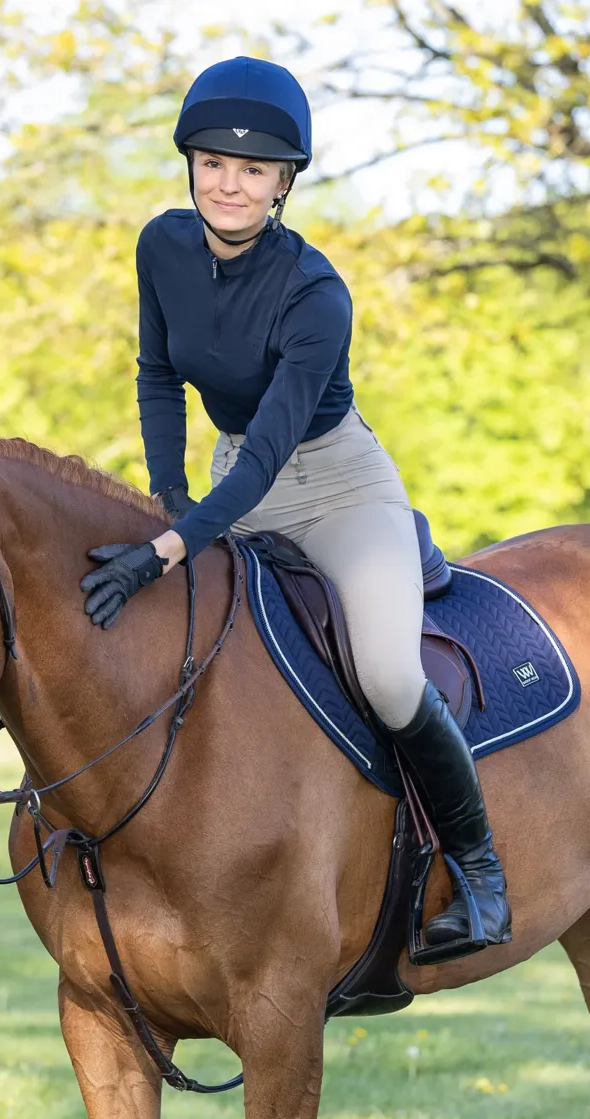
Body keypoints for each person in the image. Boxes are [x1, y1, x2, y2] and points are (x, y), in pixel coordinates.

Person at [80, 56, 511, 957]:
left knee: (387, 674)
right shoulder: (161, 246)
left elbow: (273, 454)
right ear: (190, 165)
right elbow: (157, 374)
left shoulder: (317, 293)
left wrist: (169, 547)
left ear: (284, 183)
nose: (228, 184)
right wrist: (169, 497)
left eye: (253, 169)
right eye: (212, 163)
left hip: (338, 484)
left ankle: (478, 872)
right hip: (231, 474)